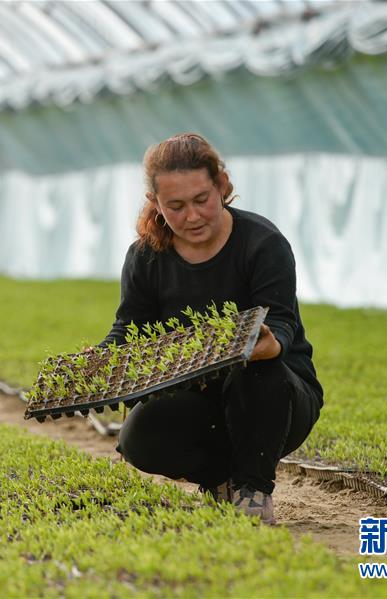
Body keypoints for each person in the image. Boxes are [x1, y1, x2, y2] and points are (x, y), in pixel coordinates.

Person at [98, 132, 323, 525]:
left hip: (277, 400)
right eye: (176, 206)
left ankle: (253, 490)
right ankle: (218, 479)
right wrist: (102, 360)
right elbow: (129, 328)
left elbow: (281, 321)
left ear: (222, 185)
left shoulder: (262, 243)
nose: (192, 216)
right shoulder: (146, 257)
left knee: (255, 370)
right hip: (198, 400)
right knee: (138, 436)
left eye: (201, 199)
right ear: (155, 203)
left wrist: (271, 344)